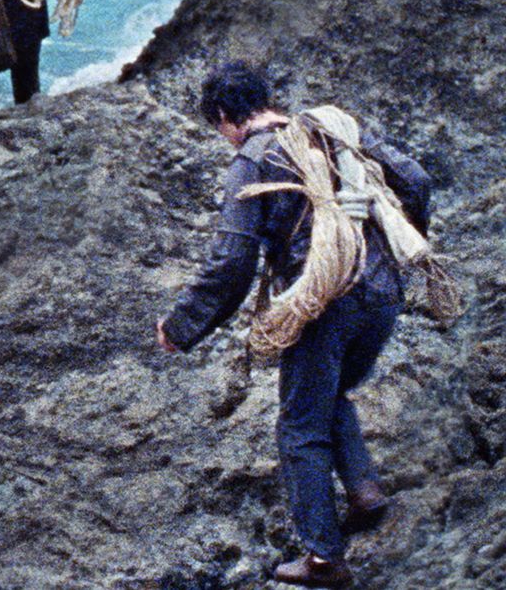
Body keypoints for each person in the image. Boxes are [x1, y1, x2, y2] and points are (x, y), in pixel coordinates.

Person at [156, 62, 433, 588]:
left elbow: (232, 263)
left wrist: (181, 326)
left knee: (300, 425)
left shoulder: (252, 161)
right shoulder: (332, 130)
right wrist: (401, 238)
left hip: (324, 301)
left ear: (223, 117)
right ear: (267, 99)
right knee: (328, 391)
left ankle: (325, 559)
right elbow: (415, 179)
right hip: (383, 292)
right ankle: (363, 489)